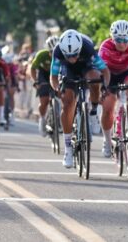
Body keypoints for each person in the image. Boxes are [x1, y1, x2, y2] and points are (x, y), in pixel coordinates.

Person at [50, 29, 110, 168]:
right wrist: (56, 88)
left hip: (86, 67)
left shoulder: (87, 48)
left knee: (95, 79)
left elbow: (105, 71)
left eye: (75, 55)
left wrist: (104, 87)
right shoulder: (58, 51)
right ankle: (68, 148)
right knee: (68, 102)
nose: (72, 59)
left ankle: (93, 111)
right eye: (68, 56)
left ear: (80, 49)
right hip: (68, 71)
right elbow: (53, 76)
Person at [98, 20, 128, 158]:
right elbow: (101, 71)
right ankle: (107, 141)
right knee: (108, 106)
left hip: (126, 71)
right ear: (112, 38)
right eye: (118, 40)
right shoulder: (106, 46)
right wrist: (103, 87)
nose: (122, 43)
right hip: (109, 73)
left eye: (125, 39)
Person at [29, 35, 59, 136]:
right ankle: (42, 119)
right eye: (51, 52)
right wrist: (35, 81)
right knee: (44, 100)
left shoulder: (61, 54)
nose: (53, 54)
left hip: (56, 74)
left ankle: (58, 118)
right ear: (48, 50)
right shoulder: (41, 55)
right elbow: (32, 68)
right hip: (44, 75)